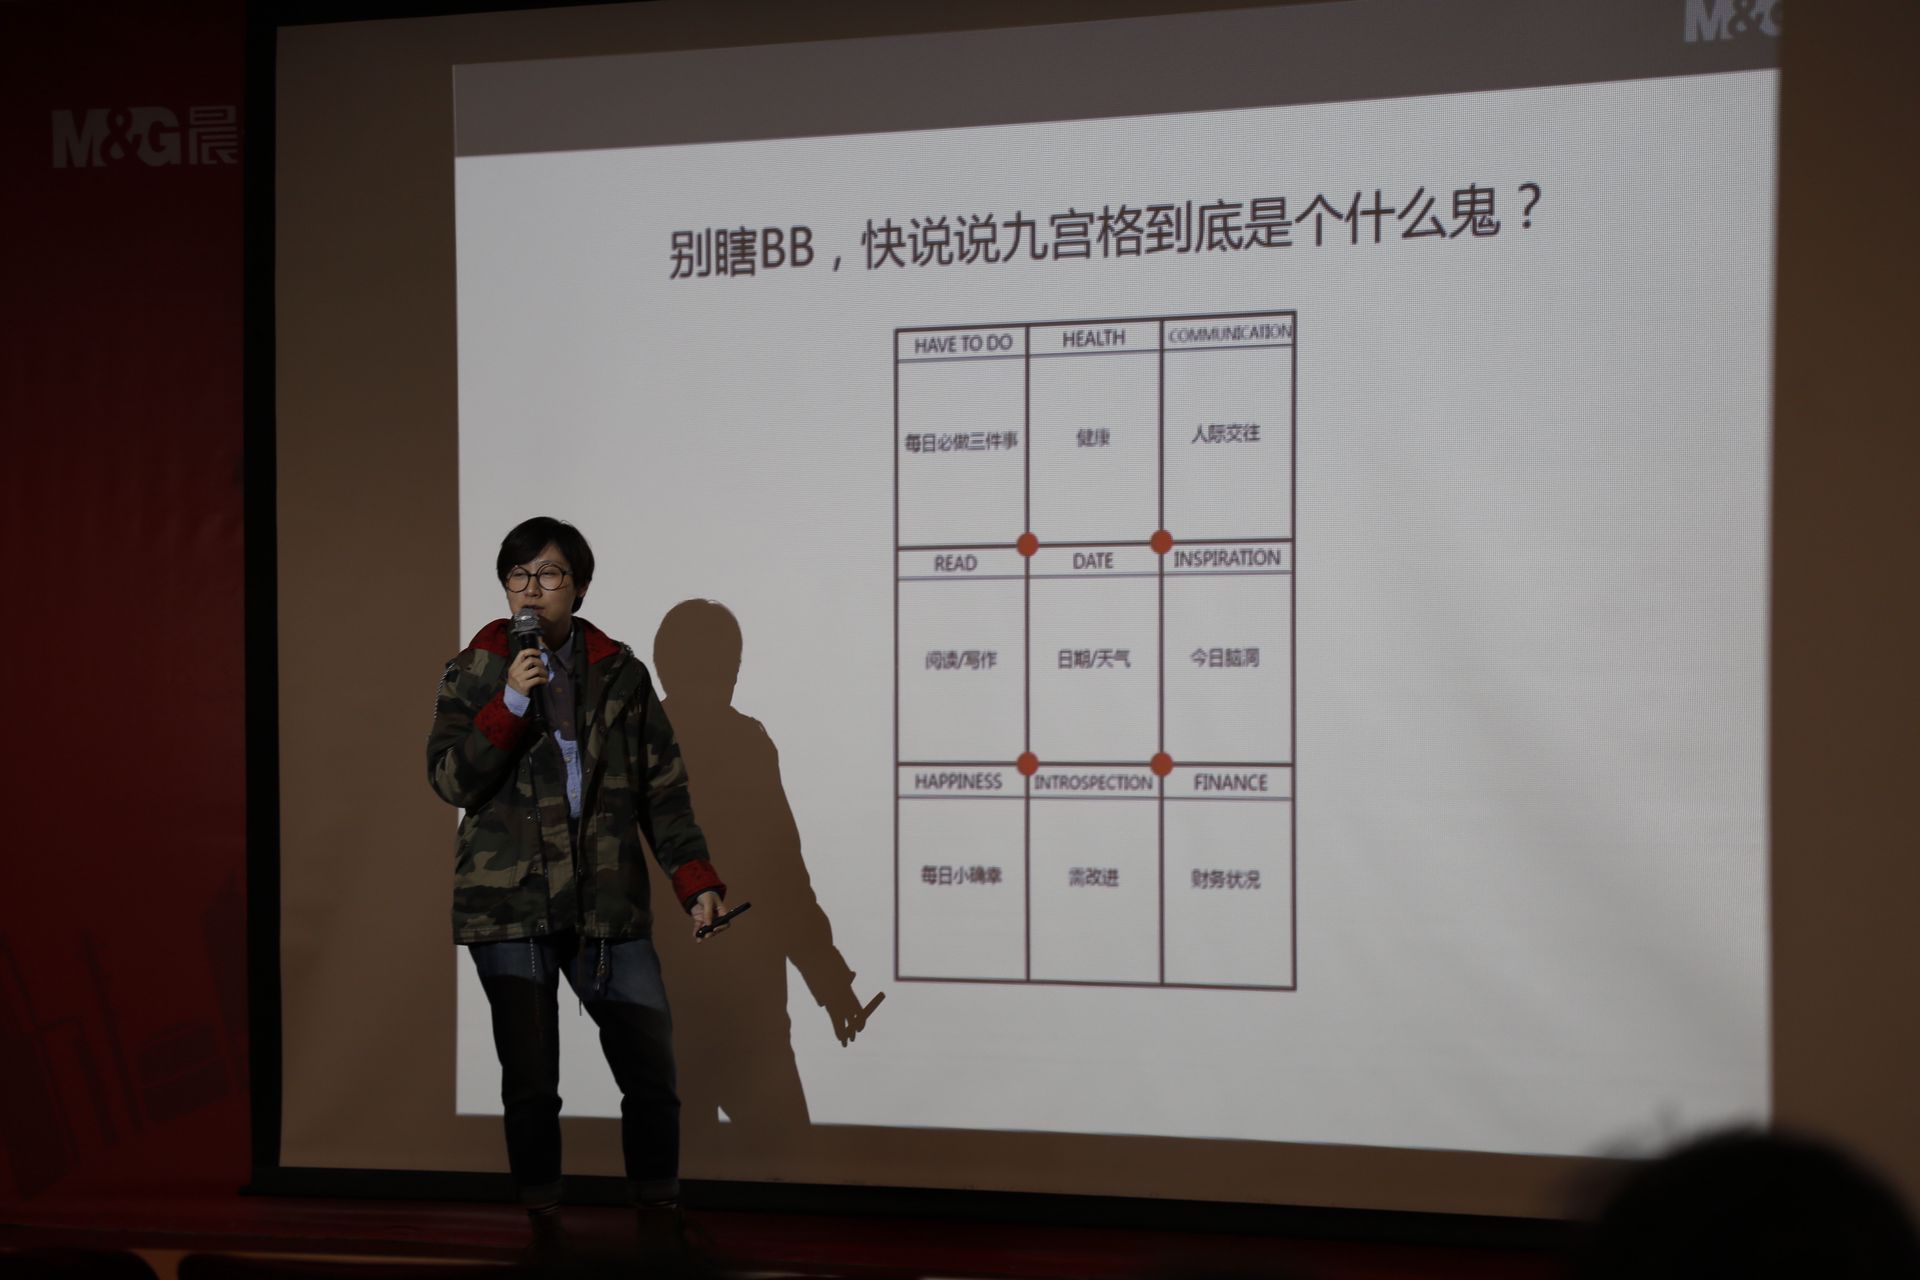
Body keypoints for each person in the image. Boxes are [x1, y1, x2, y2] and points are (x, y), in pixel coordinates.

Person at [426, 515, 730, 1255]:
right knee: (532, 1081)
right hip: (511, 907)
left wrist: (695, 882)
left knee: (650, 1069)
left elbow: (664, 793)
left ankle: (658, 1217)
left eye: (550, 574)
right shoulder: (474, 671)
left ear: (581, 587)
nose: (532, 589)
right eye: (518, 575)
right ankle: (544, 1226)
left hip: (606, 902)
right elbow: (449, 780)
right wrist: (510, 703)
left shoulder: (622, 675)